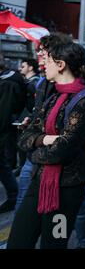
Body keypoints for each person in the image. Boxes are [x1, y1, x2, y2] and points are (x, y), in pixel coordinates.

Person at [7, 42, 85, 249]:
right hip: (40, 181)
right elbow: (25, 137)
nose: (42, 65)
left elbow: (62, 151)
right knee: (18, 242)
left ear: (60, 65)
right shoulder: (53, 97)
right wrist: (45, 140)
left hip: (68, 190)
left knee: (54, 244)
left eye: (46, 61)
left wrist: (35, 148)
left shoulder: (84, 102)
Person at [0, 53, 26, 214]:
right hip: (5, 128)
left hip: (3, 129)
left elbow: (4, 111)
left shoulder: (8, 82)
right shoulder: (9, 80)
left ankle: (13, 195)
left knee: (3, 165)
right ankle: (13, 195)